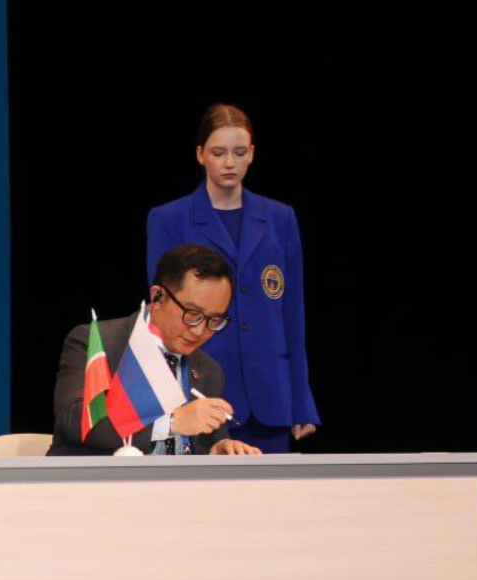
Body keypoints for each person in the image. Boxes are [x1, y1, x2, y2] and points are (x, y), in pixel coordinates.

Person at [145, 103, 319, 454]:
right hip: (200, 391)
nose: (229, 163)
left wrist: (301, 401)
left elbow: (292, 315)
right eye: (218, 153)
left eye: (239, 153)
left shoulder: (280, 219)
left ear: (251, 154)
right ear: (200, 154)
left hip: (270, 394)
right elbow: (160, 317)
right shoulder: (170, 219)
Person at [51, 243, 261, 456]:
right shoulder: (99, 342)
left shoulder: (209, 369)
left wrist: (221, 447)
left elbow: (208, 440)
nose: (199, 331)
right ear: (158, 296)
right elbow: (73, 422)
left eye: (214, 320)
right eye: (192, 313)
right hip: (103, 476)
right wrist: (171, 424)